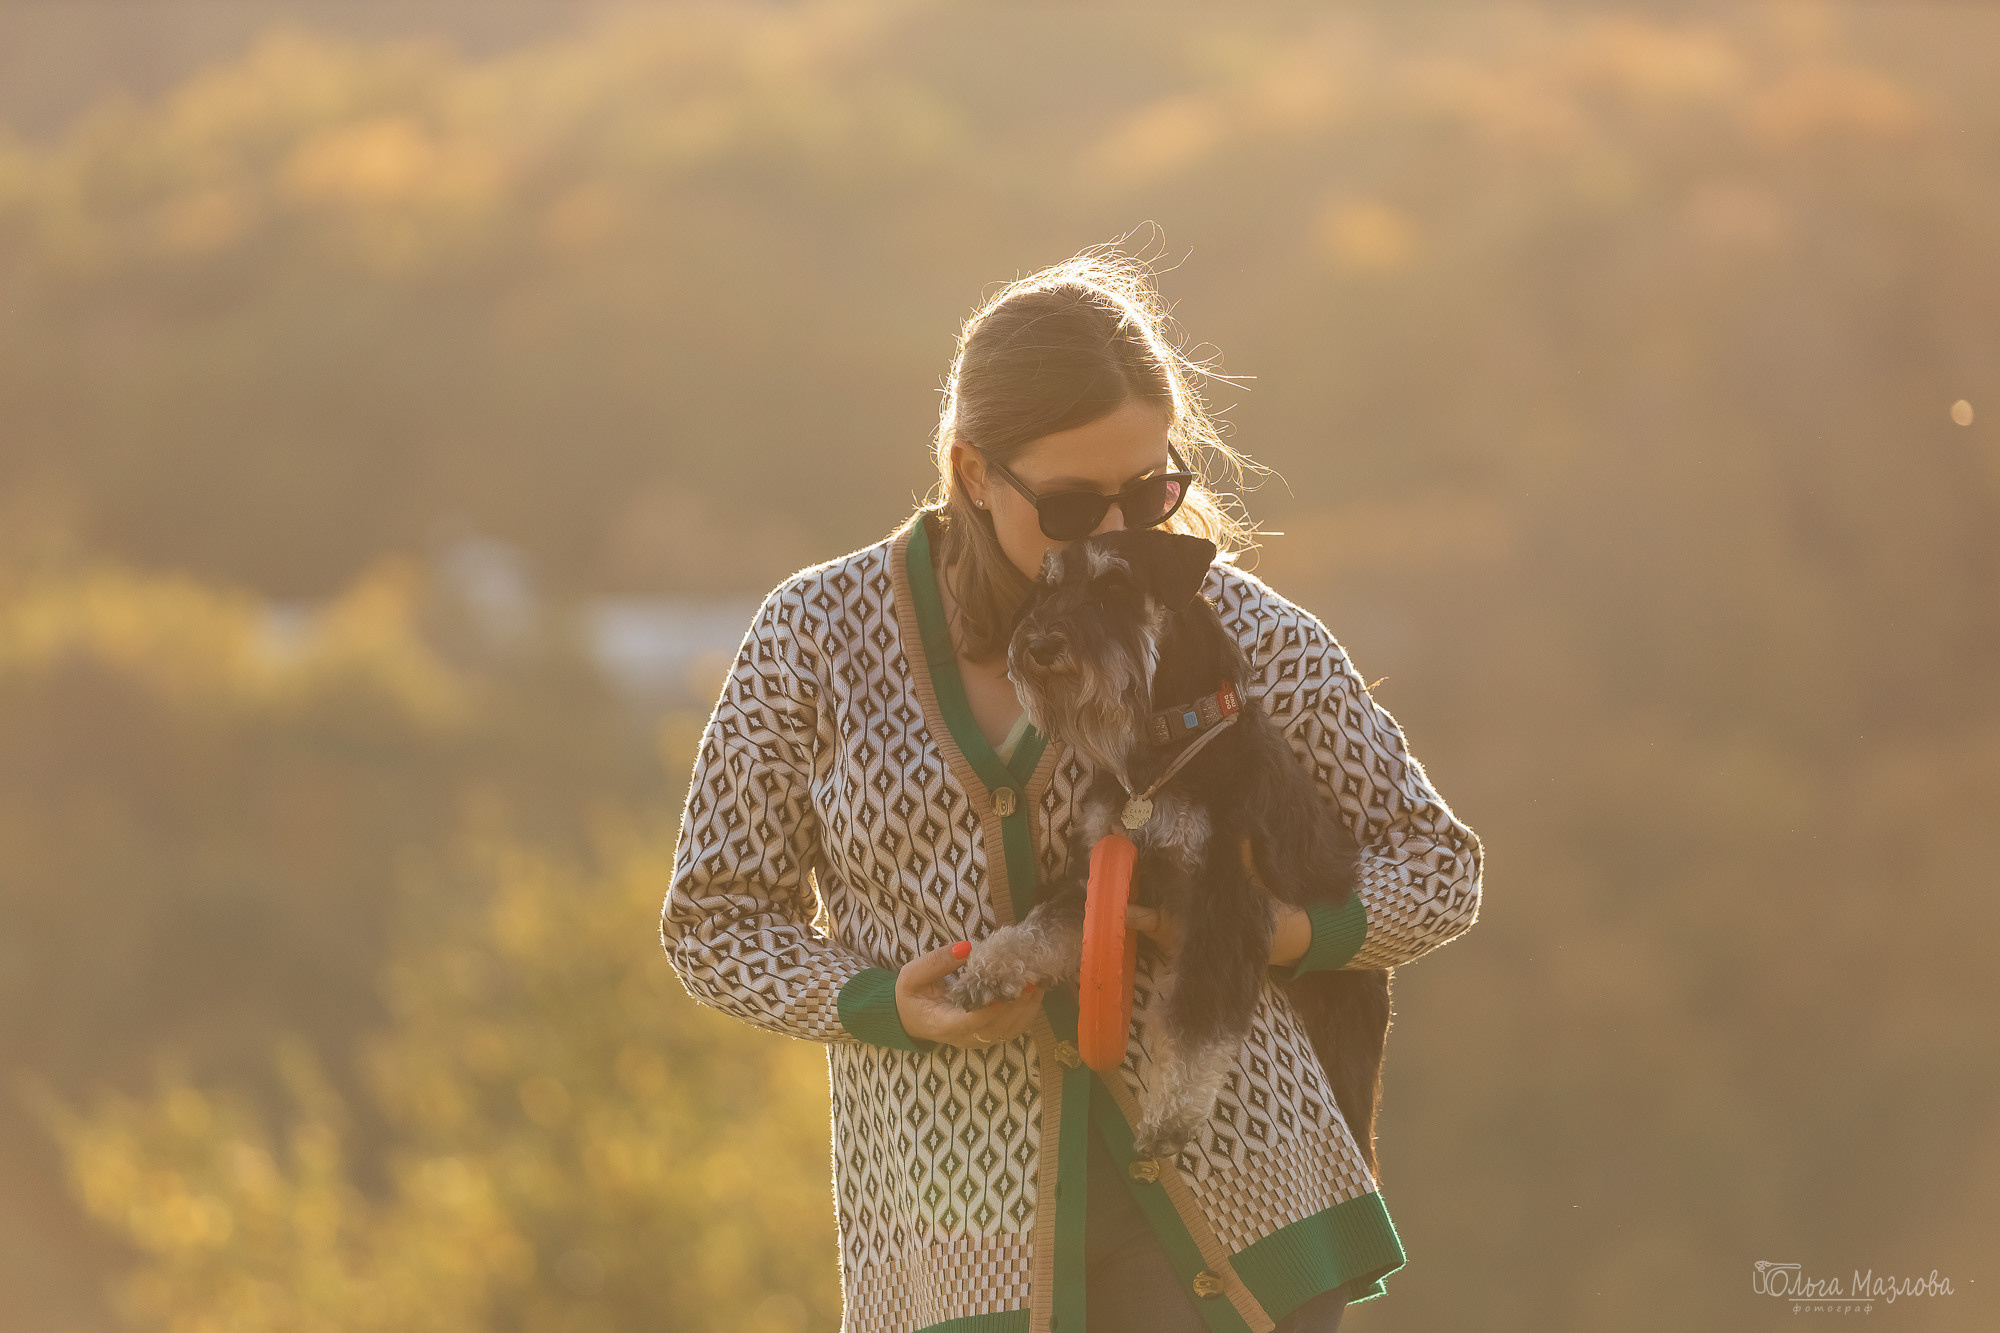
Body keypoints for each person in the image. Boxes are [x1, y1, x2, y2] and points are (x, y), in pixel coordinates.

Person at [661, 247, 1484, 1333]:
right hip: (955, 1248)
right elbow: (710, 923)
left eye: (1149, 492)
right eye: (1068, 502)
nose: (1115, 532)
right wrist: (873, 1003)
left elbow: (1439, 866)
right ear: (969, 473)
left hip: (1245, 1221)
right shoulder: (813, 638)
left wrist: (1278, 932)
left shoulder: (1243, 632)